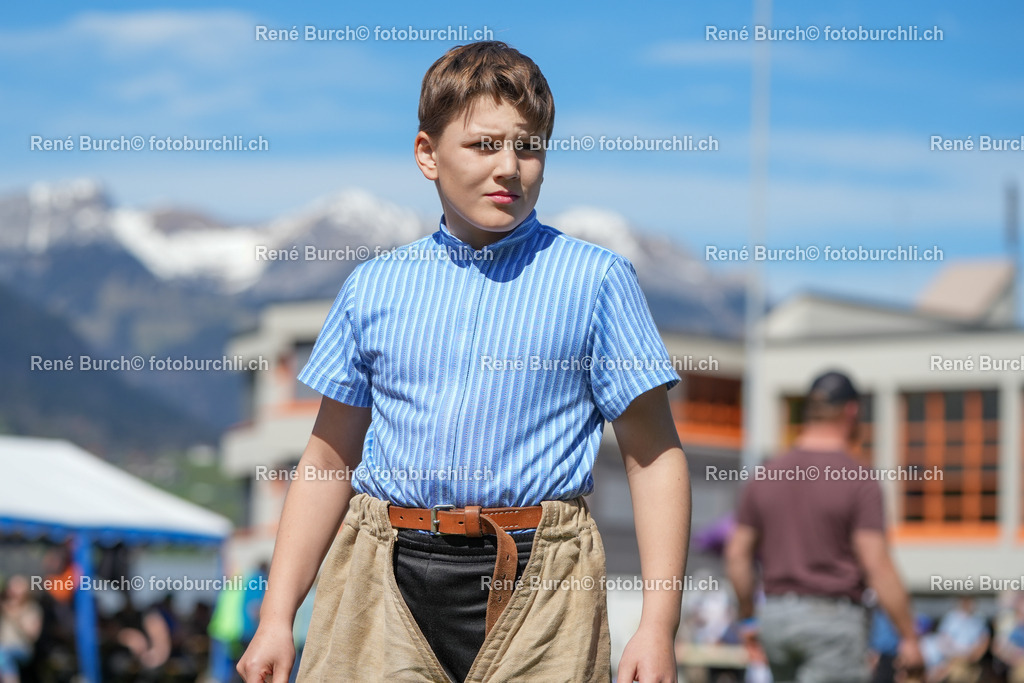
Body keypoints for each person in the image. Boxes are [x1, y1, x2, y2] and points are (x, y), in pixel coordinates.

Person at [237, 40, 692, 683]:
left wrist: (657, 624)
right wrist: (277, 617)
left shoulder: (598, 281)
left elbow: (655, 458)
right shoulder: (373, 287)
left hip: (543, 582)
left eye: (529, 145)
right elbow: (328, 458)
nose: (510, 166)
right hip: (381, 574)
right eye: (484, 145)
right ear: (427, 154)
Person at [725, 370, 924, 683]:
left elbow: (737, 555)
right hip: (833, 622)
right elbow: (876, 564)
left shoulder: (765, 475)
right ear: (852, 411)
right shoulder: (859, 480)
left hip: (776, 619)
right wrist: (909, 636)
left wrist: (749, 616)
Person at [920, 597, 990, 683]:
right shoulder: (951, 618)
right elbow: (943, 641)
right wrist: (953, 658)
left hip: (969, 661)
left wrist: (970, 658)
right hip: (951, 660)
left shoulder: (979, 620)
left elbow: (983, 643)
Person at [0, 576, 43, 683]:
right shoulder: (4, 606)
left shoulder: (32, 608)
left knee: (3, 654)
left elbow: (33, 635)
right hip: (3, 646)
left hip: (23, 649)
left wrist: (15, 618)